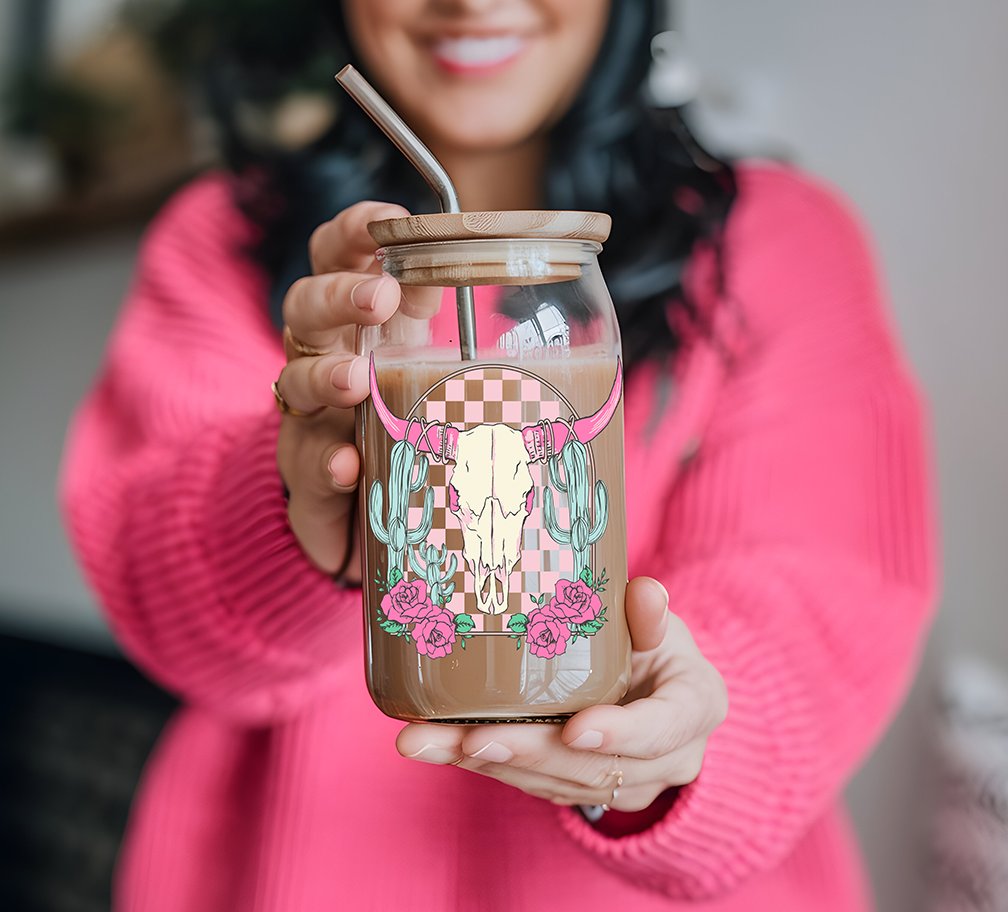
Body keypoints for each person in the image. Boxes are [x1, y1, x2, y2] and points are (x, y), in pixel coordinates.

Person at [60, 0, 937, 909]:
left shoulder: (774, 242)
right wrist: (297, 510)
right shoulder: (226, 238)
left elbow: (823, 592)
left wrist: (677, 740)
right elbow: (158, 597)